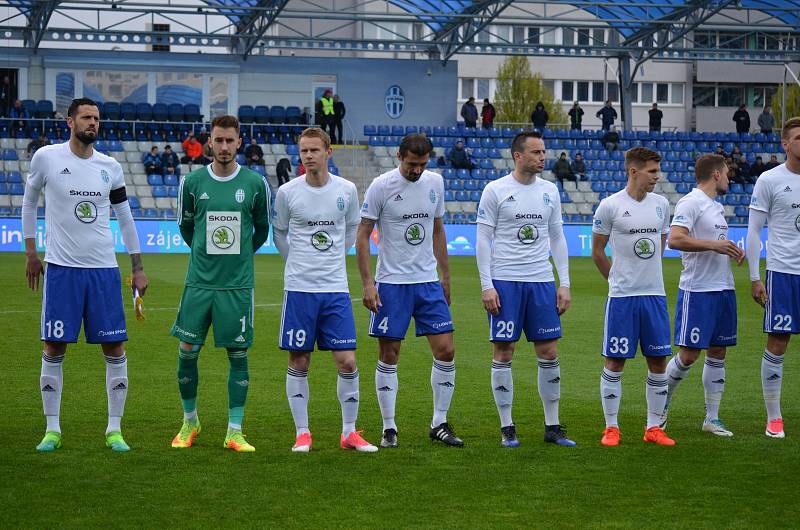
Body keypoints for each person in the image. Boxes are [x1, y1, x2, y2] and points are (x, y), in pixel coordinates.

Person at [22, 97, 148, 453]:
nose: (93, 123)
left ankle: (114, 429)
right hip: (62, 270)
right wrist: (32, 252)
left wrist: (137, 267)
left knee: (115, 346)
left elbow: (125, 218)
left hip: (104, 271)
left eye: (96, 118)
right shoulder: (47, 157)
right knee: (54, 345)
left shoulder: (111, 166)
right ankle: (52, 429)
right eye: (86, 118)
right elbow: (30, 203)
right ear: (70, 121)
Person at [272, 127, 377, 453]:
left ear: (328, 152)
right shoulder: (288, 193)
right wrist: (298, 263)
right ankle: (302, 433)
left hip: (335, 290)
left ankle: (349, 433)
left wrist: (329, 259)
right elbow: (279, 233)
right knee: (299, 360)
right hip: (300, 290)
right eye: (304, 151)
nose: (308, 156)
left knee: (347, 361)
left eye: (315, 150)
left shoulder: (346, 190)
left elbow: (350, 233)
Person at [170, 115, 270, 453]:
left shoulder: (255, 184)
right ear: (209, 142)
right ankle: (189, 420)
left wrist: (239, 257)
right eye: (218, 140)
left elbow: (261, 230)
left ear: (239, 142)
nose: (224, 147)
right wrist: (204, 256)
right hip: (199, 283)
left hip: (237, 286)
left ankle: (234, 430)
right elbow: (186, 227)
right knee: (187, 352)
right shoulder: (193, 183)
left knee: (238, 355)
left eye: (230, 141)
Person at [356, 133, 463, 448]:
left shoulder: (435, 183)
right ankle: (389, 427)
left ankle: (439, 423)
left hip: (427, 282)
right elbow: (363, 235)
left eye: (422, 164)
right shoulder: (381, 186)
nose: (417, 170)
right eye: (411, 164)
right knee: (389, 354)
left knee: (446, 350)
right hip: (392, 284)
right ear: (399, 156)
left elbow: (438, 229)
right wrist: (367, 283)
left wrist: (445, 276)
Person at [476, 131, 575, 448]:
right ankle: (507, 426)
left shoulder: (550, 191)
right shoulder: (496, 190)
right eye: (535, 152)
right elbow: (483, 239)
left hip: (541, 281)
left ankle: (553, 425)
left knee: (549, 351)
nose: (542, 157)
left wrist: (565, 283)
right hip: (506, 281)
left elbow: (558, 238)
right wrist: (487, 285)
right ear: (517, 156)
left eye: (543, 151)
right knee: (504, 351)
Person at [591, 147, 674, 447]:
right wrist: (616, 279)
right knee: (615, 362)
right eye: (652, 171)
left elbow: (661, 244)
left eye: (657, 171)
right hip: (623, 298)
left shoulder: (661, 204)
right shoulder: (610, 206)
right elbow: (597, 252)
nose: (657, 177)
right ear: (633, 171)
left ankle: (654, 427)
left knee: (658, 361)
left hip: (654, 295)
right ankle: (611, 427)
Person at [662, 154, 745, 437]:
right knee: (688, 355)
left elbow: (715, 244)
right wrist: (714, 246)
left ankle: (712, 418)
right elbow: (674, 239)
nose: (730, 178)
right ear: (716, 174)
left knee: (718, 352)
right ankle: (660, 405)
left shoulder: (716, 207)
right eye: (727, 173)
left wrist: (731, 250)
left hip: (724, 288)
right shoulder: (691, 201)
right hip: (698, 290)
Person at [746, 117, 800, 439]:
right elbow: (753, 230)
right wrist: (755, 277)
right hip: (783, 273)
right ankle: (774, 417)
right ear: (785, 144)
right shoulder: (769, 180)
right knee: (778, 343)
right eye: (798, 137)